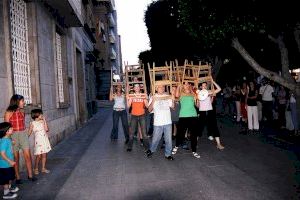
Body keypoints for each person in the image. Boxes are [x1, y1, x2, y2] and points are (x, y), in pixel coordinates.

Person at [4, 94, 37, 184]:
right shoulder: (8, 112)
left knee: (28, 155)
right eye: (22, 101)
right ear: (17, 102)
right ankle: (17, 177)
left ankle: (30, 175)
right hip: (13, 136)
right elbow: (6, 127)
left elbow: (23, 125)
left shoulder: (22, 111)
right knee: (16, 157)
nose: (24, 102)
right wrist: (10, 139)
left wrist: (27, 132)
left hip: (23, 134)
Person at [146, 85, 174, 160]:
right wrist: (153, 101)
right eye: (159, 87)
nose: (161, 88)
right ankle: (151, 150)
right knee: (155, 139)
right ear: (156, 89)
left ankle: (168, 154)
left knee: (168, 140)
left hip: (167, 122)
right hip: (158, 122)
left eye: (162, 87)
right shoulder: (153, 97)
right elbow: (149, 110)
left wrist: (173, 98)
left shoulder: (167, 96)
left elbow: (173, 107)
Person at [172, 81, 200, 158]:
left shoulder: (193, 94)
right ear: (183, 85)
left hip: (193, 116)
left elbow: (197, 106)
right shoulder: (181, 93)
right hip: (183, 116)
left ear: (189, 85)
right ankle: (176, 146)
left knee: (194, 135)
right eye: (185, 84)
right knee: (180, 133)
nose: (186, 85)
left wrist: (199, 98)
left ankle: (194, 151)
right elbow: (176, 95)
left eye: (188, 84)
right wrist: (178, 86)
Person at [196, 81, 225, 150]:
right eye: (203, 86)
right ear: (201, 87)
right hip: (202, 112)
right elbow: (197, 106)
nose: (204, 87)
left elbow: (219, 89)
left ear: (207, 86)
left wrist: (213, 81)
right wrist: (197, 100)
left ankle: (218, 144)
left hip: (210, 112)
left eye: (205, 86)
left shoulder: (209, 92)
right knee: (199, 128)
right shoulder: (198, 93)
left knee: (215, 127)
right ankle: (194, 143)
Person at [126, 84, 149, 152]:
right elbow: (128, 106)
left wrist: (146, 98)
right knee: (132, 132)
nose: (137, 88)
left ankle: (147, 148)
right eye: (135, 87)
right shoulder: (132, 96)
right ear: (133, 88)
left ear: (140, 88)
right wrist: (128, 99)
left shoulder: (143, 95)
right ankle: (129, 146)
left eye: (138, 86)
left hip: (142, 115)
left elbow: (147, 106)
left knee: (144, 133)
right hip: (134, 115)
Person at [28, 109, 51, 175]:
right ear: (36, 115)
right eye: (40, 114)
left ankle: (43, 168)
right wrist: (25, 137)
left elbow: (47, 129)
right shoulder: (32, 123)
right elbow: (29, 132)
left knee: (44, 155)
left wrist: (44, 121)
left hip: (44, 139)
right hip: (38, 141)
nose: (42, 115)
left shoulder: (42, 121)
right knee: (39, 156)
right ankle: (36, 168)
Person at [0, 122, 19, 199]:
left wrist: (11, 142)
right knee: (6, 180)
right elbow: (2, 153)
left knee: (9, 177)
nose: (12, 129)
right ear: (6, 131)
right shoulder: (4, 141)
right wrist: (10, 161)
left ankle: (9, 189)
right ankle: (6, 194)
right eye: (11, 128)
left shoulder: (6, 139)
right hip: (5, 164)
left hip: (7, 164)